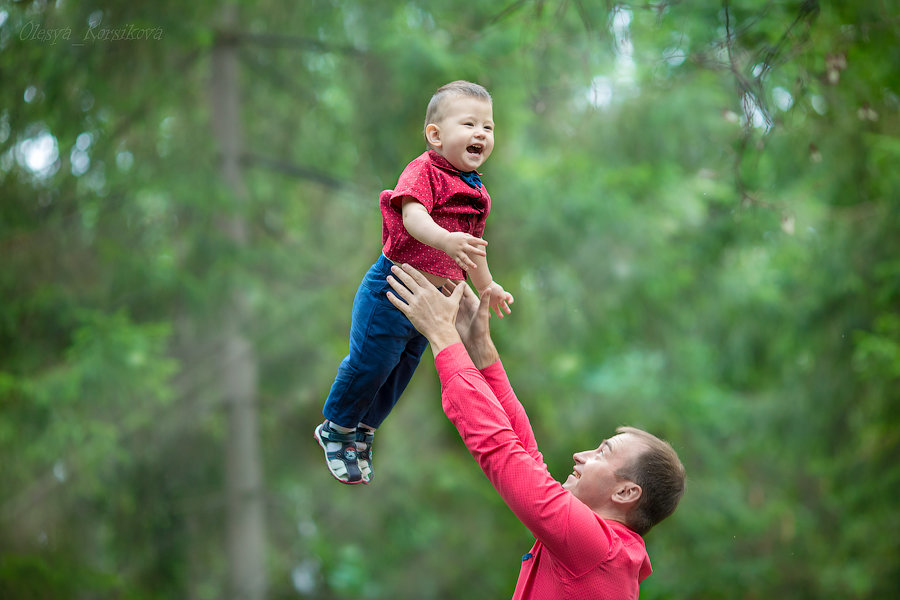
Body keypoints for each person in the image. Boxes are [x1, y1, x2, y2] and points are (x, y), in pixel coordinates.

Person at [385, 263, 685, 599]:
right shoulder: (602, 550)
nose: (580, 456)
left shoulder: (600, 550)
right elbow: (525, 458)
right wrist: (479, 347)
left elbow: (504, 455)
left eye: (602, 453)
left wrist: (442, 335)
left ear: (627, 493)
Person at [316, 81, 515, 484]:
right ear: (436, 135)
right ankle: (336, 427)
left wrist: (488, 286)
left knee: (401, 370)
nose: (481, 134)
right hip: (392, 289)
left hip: (431, 307)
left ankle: (364, 431)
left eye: (488, 127)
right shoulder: (425, 170)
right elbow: (413, 218)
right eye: (469, 124)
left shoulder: (477, 192)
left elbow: (471, 250)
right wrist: (446, 239)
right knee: (372, 362)